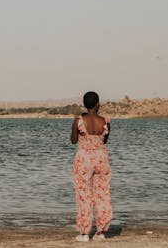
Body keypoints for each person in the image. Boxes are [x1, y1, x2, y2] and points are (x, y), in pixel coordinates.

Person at [70, 91, 112, 242]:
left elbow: (73, 140)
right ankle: (100, 232)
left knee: (83, 195)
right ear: (97, 104)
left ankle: (84, 233)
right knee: (102, 194)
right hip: (101, 158)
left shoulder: (79, 121)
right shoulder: (106, 121)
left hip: (84, 159)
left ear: (85, 105)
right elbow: (104, 140)